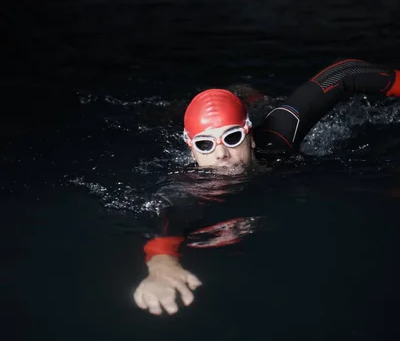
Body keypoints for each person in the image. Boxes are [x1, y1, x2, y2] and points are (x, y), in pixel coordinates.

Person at [133, 57, 400, 316]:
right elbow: (167, 228)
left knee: (265, 106)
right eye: (205, 144)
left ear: (250, 136)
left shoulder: (276, 137)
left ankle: (249, 96)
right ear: (192, 151)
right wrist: (161, 266)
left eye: (232, 137)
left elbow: (344, 73)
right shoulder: (187, 188)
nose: (221, 154)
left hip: (262, 127)